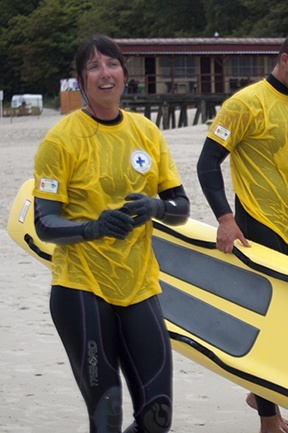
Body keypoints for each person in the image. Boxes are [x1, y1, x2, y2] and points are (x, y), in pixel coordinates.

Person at [32, 35, 190, 433]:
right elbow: (44, 222)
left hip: (139, 286)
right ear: (81, 81)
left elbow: (181, 207)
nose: (105, 74)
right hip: (81, 287)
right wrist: (93, 227)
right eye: (93, 67)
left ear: (124, 72)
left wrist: (157, 208)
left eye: (112, 64)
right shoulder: (61, 140)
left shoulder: (146, 132)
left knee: (157, 418)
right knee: (108, 415)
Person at [196, 27, 288, 433]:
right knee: (270, 323)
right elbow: (207, 164)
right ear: (285, 60)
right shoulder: (244, 104)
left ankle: (260, 391)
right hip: (256, 227)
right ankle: (268, 419)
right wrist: (224, 218)